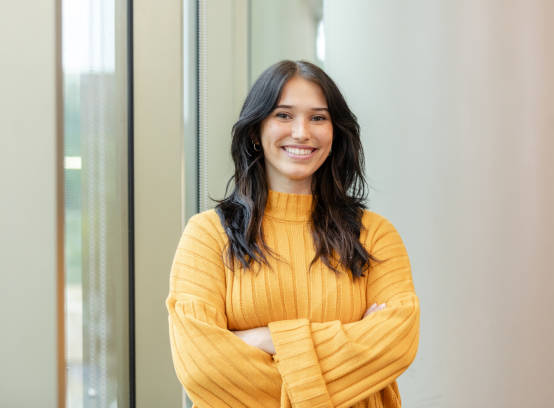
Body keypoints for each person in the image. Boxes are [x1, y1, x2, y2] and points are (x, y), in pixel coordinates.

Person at [166, 60, 420, 408]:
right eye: (283, 115)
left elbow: (396, 342)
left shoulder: (374, 235)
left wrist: (264, 339)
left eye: (318, 117)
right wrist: (349, 344)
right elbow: (201, 367)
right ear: (256, 130)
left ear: (335, 132)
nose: (302, 132)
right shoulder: (208, 236)